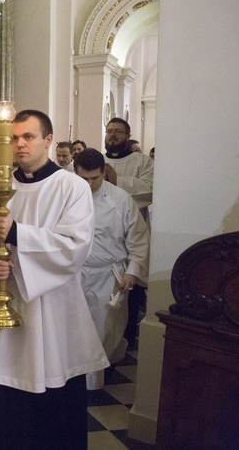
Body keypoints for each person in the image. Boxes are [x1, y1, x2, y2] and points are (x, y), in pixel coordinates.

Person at [0, 110, 108, 449]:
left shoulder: (72, 187)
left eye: (29, 137)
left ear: (48, 140)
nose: (20, 144)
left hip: (48, 310)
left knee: (48, 392)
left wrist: (19, 234)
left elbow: (75, 246)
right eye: (14, 138)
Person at [74, 148, 150, 390]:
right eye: (83, 179)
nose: (89, 184)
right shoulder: (66, 196)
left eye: (94, 178)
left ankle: (96, 382)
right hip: (75, 274)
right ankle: (76, 383)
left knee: (104, 331)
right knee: (76, 331)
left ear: (104, 172)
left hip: (109, 276)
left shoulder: (120, 199)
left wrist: (133, 271)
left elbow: (138, 238)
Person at [103, 117, 153, 349]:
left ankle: (128, 337)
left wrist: (118, 181)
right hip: (103, 238)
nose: (113, 135)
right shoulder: (97, 160)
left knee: (129, 291)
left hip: (130, 234)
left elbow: (151, 190)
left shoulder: (142, 162)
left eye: (118, 132)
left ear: (128, 134)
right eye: (109, 131)